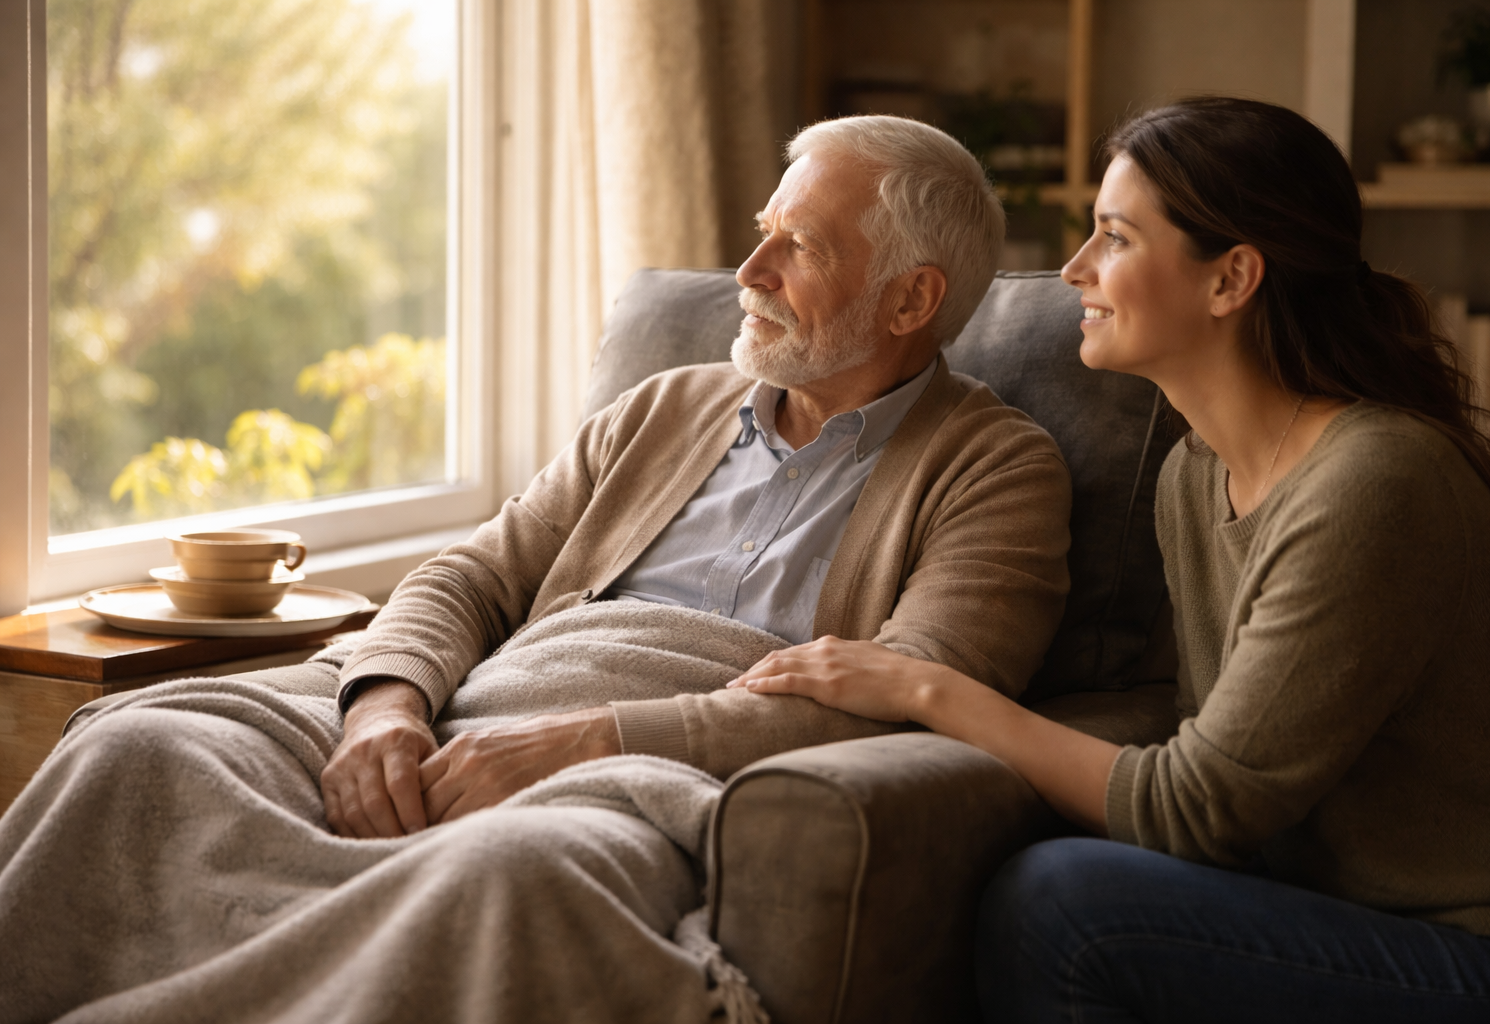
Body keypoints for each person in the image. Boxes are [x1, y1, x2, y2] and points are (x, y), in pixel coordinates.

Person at [0, 115, 1073, 1022]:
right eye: (761, 236)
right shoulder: (666, 407)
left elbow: (920, 700)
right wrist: (385, 703)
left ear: (907, 299)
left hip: (652, 768)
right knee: (141, 745)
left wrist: (584, 739)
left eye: (799, 247)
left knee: (505, 877)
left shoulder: (999, 469)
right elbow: (468, 576)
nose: (747, 274)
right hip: (472, 706)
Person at [730, 96, 1490, 1022]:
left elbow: (1201, 808)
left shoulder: (1375, 483)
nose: (1074, 270)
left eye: (1114, 238)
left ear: (1231, 278)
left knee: (1067, 903)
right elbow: (1210, 759)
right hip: (1347, 914)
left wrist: (925, 689)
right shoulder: (1194, 477)